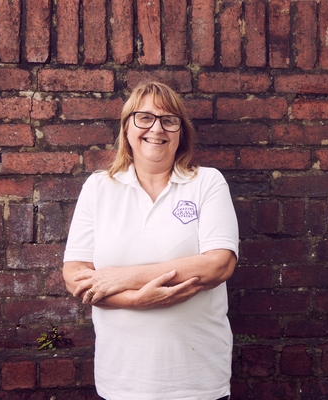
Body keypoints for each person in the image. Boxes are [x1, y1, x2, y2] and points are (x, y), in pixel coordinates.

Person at [62, 81, 239, 400]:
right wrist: (135, 300)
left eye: (169, 120)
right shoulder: (99, 188)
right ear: (126, 127)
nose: (157, 128)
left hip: (196, 380)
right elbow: (76, 274)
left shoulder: (206, 183)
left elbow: (219, 264)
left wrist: (123, 277)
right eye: (144, 117)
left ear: (180, 132)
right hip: (122, 379)